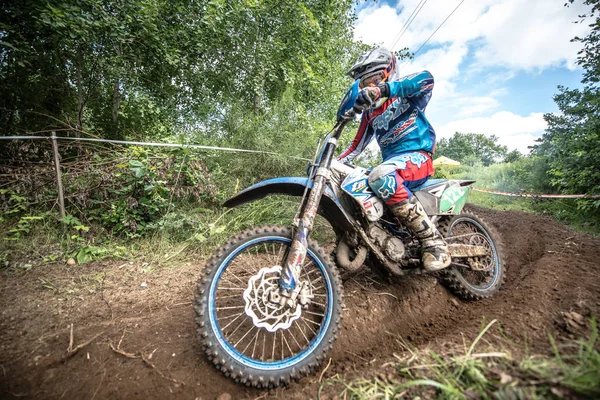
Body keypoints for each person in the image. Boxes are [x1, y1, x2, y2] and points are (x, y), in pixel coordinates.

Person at [338, 46, 450, 271]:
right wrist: (328, 162)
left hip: (418, 156)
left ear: (389, 72)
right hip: (394, 164)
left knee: (381, 175)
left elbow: (427, 79)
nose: (370, 86)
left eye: (374, 79)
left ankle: (433, 241)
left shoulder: (406, 95)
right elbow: (355, 146)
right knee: (353, 177)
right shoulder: (370, 114)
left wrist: (384, 90)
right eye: (365, 83)